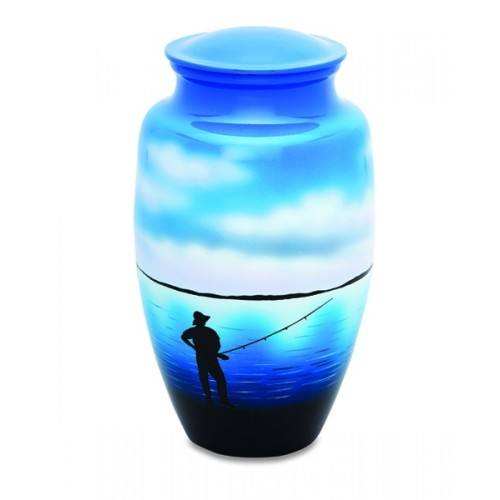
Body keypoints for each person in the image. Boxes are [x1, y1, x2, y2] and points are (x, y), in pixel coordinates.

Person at [181, 311, 233, 407]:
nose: (203, 322)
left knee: (205, 378)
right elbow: (215, 346)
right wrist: (218, 355)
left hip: (203, 357)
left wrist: (194, 347)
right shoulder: (209, 331)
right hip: (209, 359)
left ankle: (212, 400)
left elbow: (183, 337)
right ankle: (220, 400)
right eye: (202, 320)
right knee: (218, 379)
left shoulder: (195, 331)